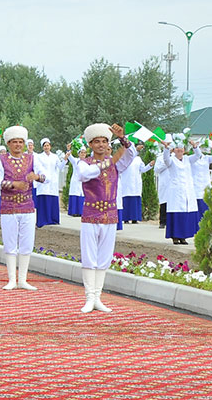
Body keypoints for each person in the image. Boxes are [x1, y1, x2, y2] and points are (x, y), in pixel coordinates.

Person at [73, 123, 135, 313]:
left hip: (110, 214)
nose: (101, 145)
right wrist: (110, 161)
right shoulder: (84, 163)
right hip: (91, 214)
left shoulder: (117, 163)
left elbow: (131, 155)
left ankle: (98, 297)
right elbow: (86, 175)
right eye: (97, 142)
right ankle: (89, 297)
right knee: (89, 257)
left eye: (104, 141)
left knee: (104, 258)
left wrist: (123, 138)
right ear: (90, 144)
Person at [0, 126, 47, 291]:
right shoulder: (1, 160)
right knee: (10, 243)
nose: (17, 145)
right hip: (9, 206)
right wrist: (13, 184)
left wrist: (37, 176)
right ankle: (11, 279)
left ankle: (22, 279)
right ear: (8, 144)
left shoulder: (32, 159)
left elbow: (46, 176)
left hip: (28, 206)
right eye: (14, 142)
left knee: (26, 243)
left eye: (20, 142)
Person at [158, 139, 203, 245]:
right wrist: (166, 148)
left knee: (186, 214)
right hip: (176, 192)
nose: (179, 150)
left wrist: (195, 147)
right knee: (177, 214)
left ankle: (183, 236)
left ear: (184, 150)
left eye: (181, 149)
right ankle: (175, 236)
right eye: (177, 148)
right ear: (174, 150)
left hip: (187, 191)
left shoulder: (188, 159)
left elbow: (198, 156)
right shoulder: (171, 160)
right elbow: (165, 159)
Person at [33, 138, 66, 228]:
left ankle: (53, 219)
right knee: (44, 201)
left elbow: (60, 166)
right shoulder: (39, 157)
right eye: (45, 146)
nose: (46, 147)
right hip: (43, 182)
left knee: (52, 200)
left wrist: (65, 159)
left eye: (48, 145)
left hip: (53, 183)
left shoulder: (54, 156)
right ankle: (43, 220)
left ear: (50, 146)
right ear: (42, 147)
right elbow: (37, 168)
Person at [117, 143, 154, 224]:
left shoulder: (138, 159)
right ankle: (126, 218)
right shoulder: (124, 158)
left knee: (135, 200)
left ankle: (135, 218)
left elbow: (143, 169)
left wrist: (149, 165)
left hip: (136, 183)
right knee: (126, 200)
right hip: (126, 182)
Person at [66, 144, 88, 217]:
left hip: (83, 182)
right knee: (75, 194)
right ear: (79, 154)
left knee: (82, 195)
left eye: (84, 152)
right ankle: (73, 211)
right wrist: (68, 149)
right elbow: (69, 156)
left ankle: (81, 212)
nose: (83, 154)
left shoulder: (87, 162)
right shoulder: (76, 161)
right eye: (81, 152)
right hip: (75, 181)